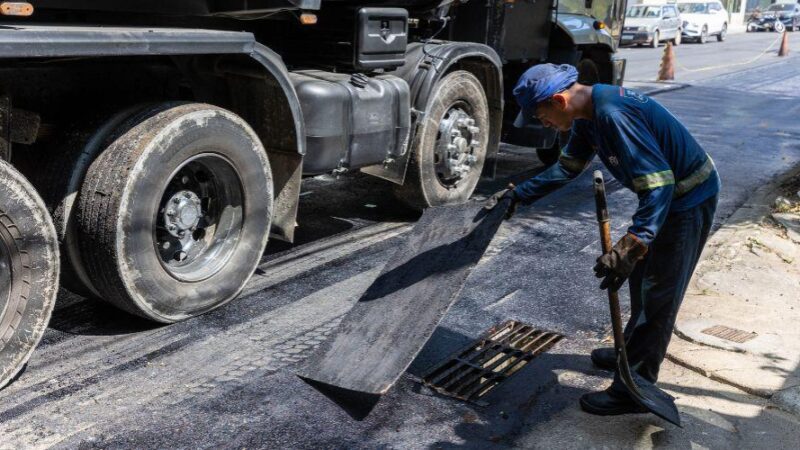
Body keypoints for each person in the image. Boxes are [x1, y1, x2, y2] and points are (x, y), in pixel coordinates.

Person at [486, 63, 720, 415]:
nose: (543, 124)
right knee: (643, 282)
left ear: (558, 101)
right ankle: (630, 351)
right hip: (665, 200)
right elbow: (567, 168)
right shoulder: (586, 117)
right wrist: (517, 195)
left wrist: (635, 242)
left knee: (659, 295)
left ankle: (634, 387)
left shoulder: (613, 114)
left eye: (541, 115)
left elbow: (660, 184)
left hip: (687, 201)